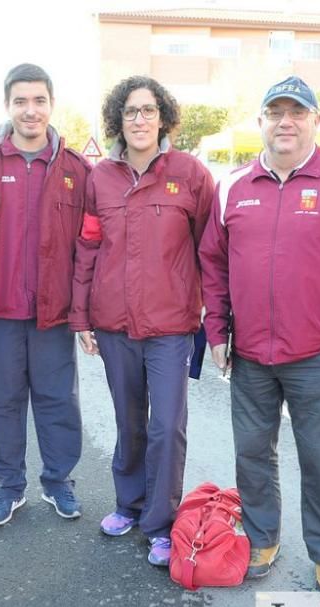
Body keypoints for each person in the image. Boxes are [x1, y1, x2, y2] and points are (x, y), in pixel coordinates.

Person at [199, 76, 320, 591]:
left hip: (316, 355)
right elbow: (213, 263)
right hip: (251, 354)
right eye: (275, 112)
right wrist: (217, 330)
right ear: (261, 122)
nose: (286, 121)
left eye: (297, 112)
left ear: (315, 121)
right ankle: (262, 537)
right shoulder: (232, 185)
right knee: (253, 454)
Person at [70, 76, 214, 567]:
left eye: (148, 110)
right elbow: (89, 245)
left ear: (163, 117)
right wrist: (80, 314)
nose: (139, 119)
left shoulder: (190, 174)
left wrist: (214, 316)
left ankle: (160, 523)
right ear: (118, 119)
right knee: (129, 421)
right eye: (130, 111)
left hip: (172, 326)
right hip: (114, 324)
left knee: (167, 425)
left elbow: (210, 249)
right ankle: (128, 504)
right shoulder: (100, 178)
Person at [0, 64, 90, 526]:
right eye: (20, 101)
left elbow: (92, 244)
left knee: (58, 400)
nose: (30, 111)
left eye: (38, 101)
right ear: (7, 105)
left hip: (53, 312)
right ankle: (8, 486)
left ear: (52, 104)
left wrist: (86, 309)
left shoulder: (76, 168)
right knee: (2, 402)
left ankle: (59, 481)